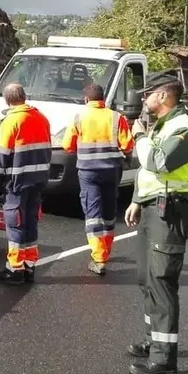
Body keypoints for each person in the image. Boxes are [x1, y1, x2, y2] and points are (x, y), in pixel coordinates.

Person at [123, 70, 188, 374]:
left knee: (162, 282)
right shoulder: (165, 125)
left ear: (163, 96)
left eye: (148, 93)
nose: (144, 98)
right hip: (152, 207)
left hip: (170, 212)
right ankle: (152, 340)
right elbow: (148, 174)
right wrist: (135, 200)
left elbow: (158, 163)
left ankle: (164, 361)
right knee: (146, 278)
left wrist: (141, 136)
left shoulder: (184, 129)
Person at [61, 83, 134, 275]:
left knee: (93, 213)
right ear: (103, 99)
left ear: (86, 100)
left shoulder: (79, 117)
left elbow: (67, 146)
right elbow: (127, 145)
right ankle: (105, 250)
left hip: (88, 172)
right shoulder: (116, 117)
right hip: (112, 171)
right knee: (109, 211)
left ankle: (99, 258)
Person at [0, 83, 52, 285]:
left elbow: (1, 156)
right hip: (38, 180)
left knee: (15, 224)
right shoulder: (41, 118)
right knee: (31, 222)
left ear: (7, 100)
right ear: (24, 96)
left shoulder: (12, 121)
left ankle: (15, 270)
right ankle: (29, 266)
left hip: (18, 182)